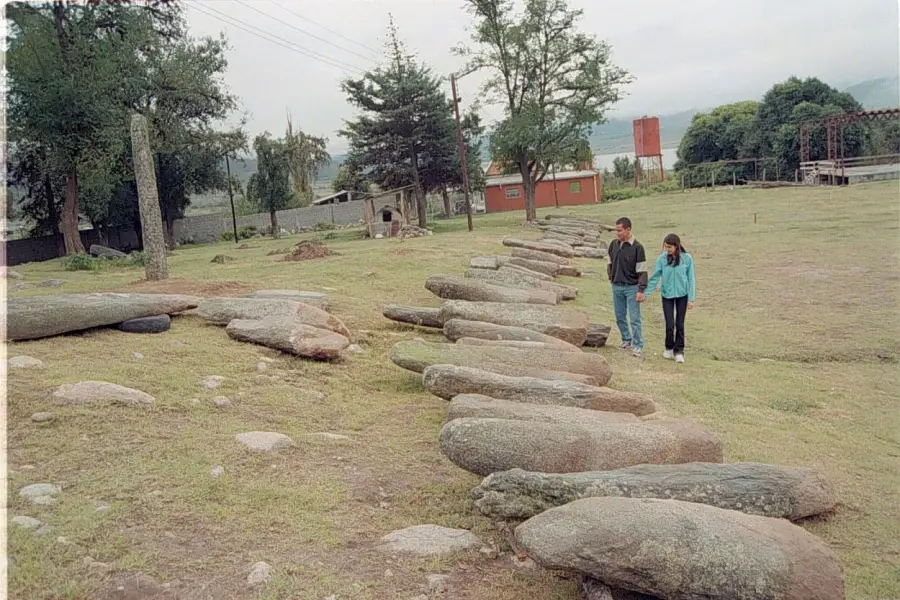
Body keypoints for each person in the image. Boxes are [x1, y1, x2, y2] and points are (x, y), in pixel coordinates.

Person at [640, 233, 696, 364]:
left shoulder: (687, 259)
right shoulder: (662, 259)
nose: (667, 249)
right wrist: (645, 293)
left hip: (683, 295)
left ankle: (679, 351)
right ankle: (669, 347)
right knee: (670, 324)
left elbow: (691, 278)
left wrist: (691, 299)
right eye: (665, 246)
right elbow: (655, 277)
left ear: (676, 246)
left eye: (670, 247)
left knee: (680, 324)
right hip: (667, 295)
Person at [607, 217, 649, 357]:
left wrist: (641, 290)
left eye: (620, 230)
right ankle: (626, 339)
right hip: (616, 286)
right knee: (619, 316)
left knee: (635, 318)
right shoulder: (613, 244)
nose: (617, 233)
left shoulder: (638, 248)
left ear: (628, 229)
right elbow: (610, 263)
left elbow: (642, 270)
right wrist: (611, 278)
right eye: (616, 230)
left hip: (632, 287)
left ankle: (638, 345)